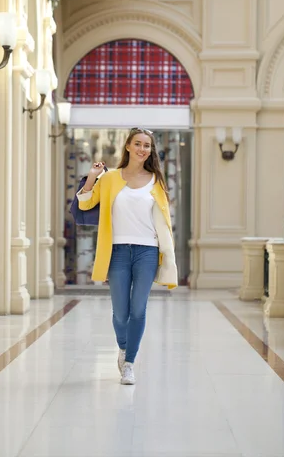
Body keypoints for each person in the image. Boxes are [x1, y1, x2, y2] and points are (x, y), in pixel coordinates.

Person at [77, 128, 178, 385]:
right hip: (118, 251)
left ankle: (130, 363)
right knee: (120, 313)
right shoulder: (111, 178)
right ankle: (123, 347)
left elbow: (164, 217)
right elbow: (85, 203)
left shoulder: (156, 179)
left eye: (147, 145)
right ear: (129, 147)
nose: (143, 149)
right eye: (138, 144)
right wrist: (92, 177)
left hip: (147, 250)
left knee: (138, 309)